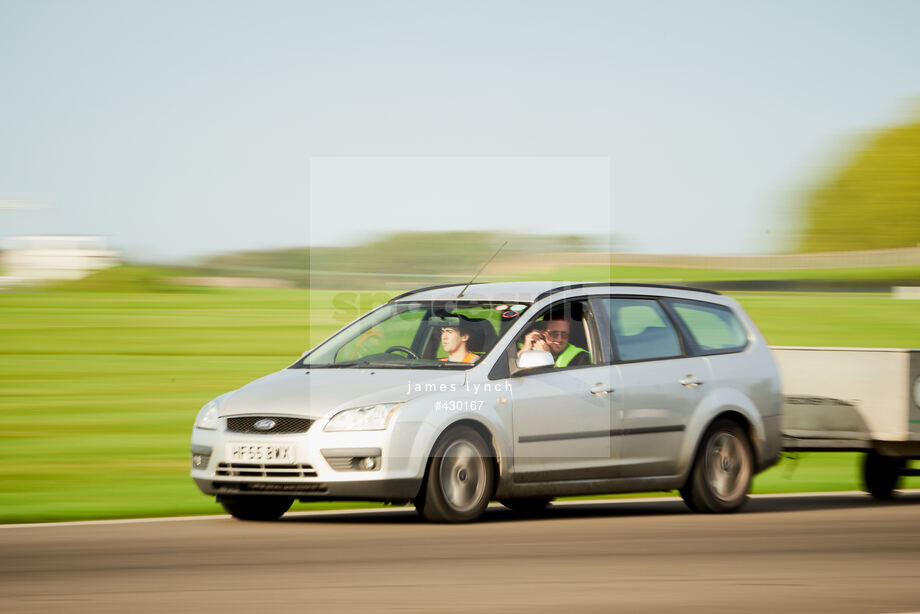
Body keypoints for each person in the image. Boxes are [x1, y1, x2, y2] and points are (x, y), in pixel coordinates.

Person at [518, 312, 590, 368]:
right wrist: (525, 348)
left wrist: (546, 357)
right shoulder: (531, 350)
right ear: (543, 333)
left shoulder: (581, 357)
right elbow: (509, 370)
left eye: (564, 334)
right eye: (554, 334)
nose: (559, 339)